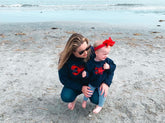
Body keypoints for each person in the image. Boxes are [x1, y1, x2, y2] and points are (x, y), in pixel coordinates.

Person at [58, 33, 109, 110]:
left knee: (98, 99)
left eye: (87, 48)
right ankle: (74, 98)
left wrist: (106, 83)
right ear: (72, 51)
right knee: (66, 97)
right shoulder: (65, 58)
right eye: (81, 52)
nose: (86, 53)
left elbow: (110, 67)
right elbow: (64, 79)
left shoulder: (93, 51)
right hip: (76, 83)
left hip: (91, 83)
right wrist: (81, 87)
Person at [82, 37, 116, 114]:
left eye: (107, 54)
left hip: (101, 83)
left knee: (102, 94)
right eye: (104, 54)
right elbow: (88, 71)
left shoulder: (107, 61)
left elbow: (114, 67)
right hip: (92, 82)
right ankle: (84, 100)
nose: (106, 56)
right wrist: (85, 73)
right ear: (96, 53)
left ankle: (100, 106)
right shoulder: (91, 62)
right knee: (88, 92)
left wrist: (109, 67)